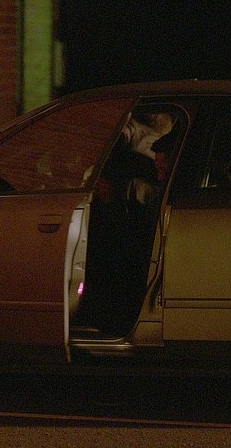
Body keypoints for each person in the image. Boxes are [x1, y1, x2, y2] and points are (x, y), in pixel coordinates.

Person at [75, 112, 179, 336]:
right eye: (157, 170)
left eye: (162, 170)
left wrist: (113, 202)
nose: (158, 176)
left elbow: (136, 244)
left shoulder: (154, 194)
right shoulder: (151, 191)